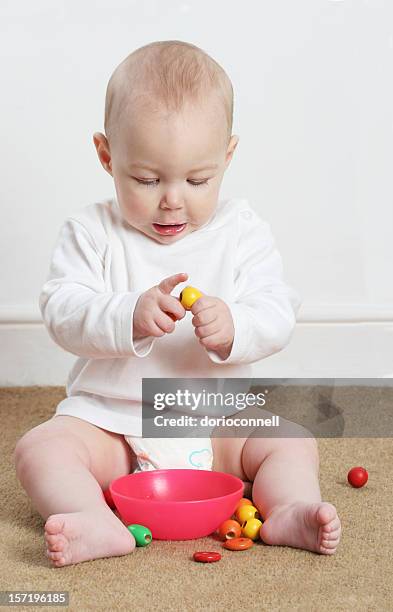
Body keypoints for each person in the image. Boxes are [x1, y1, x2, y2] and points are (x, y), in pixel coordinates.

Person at [13, 40, 341, 567]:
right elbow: (62, 310)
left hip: (218, 424)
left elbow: (277, 306)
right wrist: (127, 316)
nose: (172, 199)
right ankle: (94, 520)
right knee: (40, 450)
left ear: (227, 158)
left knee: (291, 439)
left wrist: (237, 326)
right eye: (146, 179)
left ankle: (289, 509)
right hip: (112, 425)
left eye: (197, 179)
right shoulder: (91, 231)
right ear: (106, 156)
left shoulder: (242, 231)